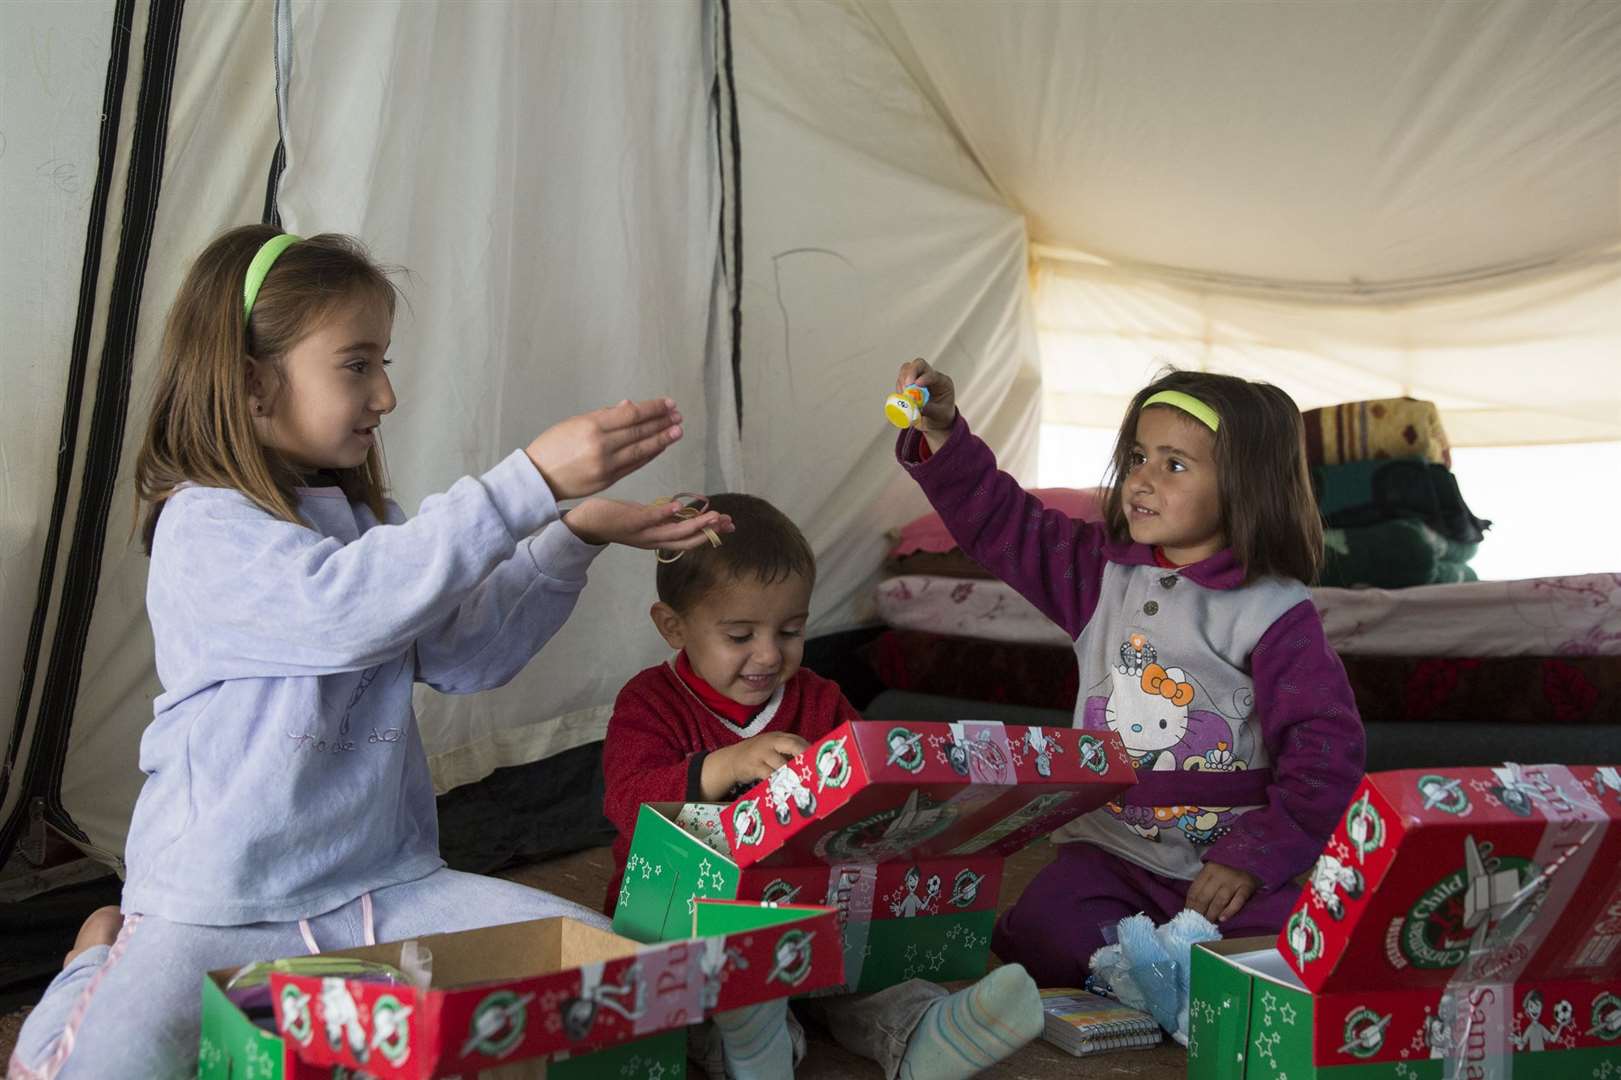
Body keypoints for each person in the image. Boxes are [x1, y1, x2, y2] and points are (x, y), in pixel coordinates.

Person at [10, 226, 730, 1080]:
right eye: (358, 364)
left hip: (383, 889)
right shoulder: (201, 526)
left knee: (616, 971)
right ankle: (92, 961)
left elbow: (466, 658)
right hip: (216, 907)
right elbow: (341, 611)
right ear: (248, 382)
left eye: (384, 363)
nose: (386, 395)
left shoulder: (365, 529)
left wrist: (570, 536)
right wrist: (527, 482)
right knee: (98, 1069)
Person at [892, 359, 1364, 989]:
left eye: (1174, 465)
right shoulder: (1097, 574)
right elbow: (1001, 519)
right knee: (1043, 935)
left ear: (1246, 484)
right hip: (1111, 851)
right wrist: (944, 433)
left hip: (1226, 869)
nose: (1141, 480)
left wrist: (1254, 859)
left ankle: (1160, 974)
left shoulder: (1275, 612)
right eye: (1138, 457)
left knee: (1298, 963)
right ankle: (1143, 977)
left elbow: (1325, 753)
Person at [603, 493, 1041, 1080]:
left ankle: (925, 1035)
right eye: (739, 636)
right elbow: (630, 805)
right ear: (672, 625)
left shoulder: (820, 699)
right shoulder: (648, 703)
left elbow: (873, 785)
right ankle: (756, 1044)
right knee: (689, 994)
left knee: (872, 978)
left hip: (816, 920)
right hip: (683, 923)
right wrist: (726, 765)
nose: (767, 654)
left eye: (790, 630)